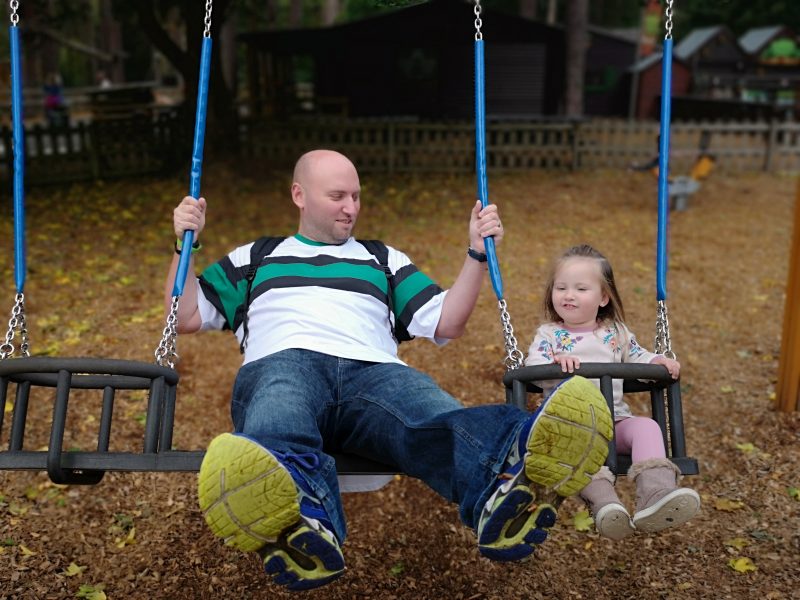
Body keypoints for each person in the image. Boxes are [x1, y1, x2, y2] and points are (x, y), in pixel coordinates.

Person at [166, 150, 614, 591]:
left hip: (374, 374)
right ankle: (300, 522)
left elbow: (446, 321)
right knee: (279, 415)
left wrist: (477, 255)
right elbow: (185, 315)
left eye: (357, 196)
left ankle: (506, 479)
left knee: (431, 418)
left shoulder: (382, 258)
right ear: (299, 195)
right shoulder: (257, 256)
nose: (351, 208)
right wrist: (184, 244)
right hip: (287, 359)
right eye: (338, 196)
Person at [524, 244, 701, 540]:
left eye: (581, 288)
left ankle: (655, 494)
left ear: (603, 297)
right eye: (561, 287)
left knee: (646, 426)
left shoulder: (615, 332)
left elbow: (639, 355)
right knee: (581, 459)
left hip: (614, 421)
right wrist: (555, 363)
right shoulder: (550, 335)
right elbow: (534, 365)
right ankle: (606, 505)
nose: (568, 295)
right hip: (570, 429)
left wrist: (658, 360)